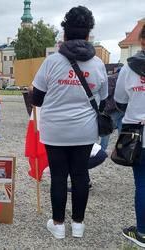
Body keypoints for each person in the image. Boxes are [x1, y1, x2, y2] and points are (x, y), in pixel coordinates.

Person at [32, 6, 108, 239]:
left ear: (64, 35)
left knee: (58, 176)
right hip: (84, 131)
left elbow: (37, 98)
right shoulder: (98, 65)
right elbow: (103, 102)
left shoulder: (52, 62)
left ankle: (57, 225)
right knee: (80, 175)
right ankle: (78, 225)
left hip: (55, 130)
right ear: (88, 36)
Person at [114, 24, 145, 248]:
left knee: (142, 183)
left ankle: (142, 232)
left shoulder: (129, 68)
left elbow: (120, 100)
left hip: (137, 133)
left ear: (141, 41)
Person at [100, 68, 124, 151]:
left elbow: (107, 93)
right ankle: (121, 150)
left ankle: (102, 149)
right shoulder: (126, 78)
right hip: (123, 108)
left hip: (113, 108)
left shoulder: (112, 78)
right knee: (122, 131)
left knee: (107, 129)